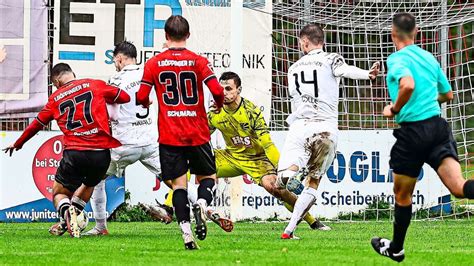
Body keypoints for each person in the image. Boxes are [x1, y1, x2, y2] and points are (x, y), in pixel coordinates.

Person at [161, 71, 330, 231]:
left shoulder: (252, 112)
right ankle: (168, 207)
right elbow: (200, 136)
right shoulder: (215, 113)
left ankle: (313, 222)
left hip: (257, 159)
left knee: (276, 189)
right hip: (230, 157)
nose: (224, 93)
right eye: (221, 89)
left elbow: (267, 145)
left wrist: (282, 170)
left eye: (228, 89)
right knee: (186, 165)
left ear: (238, 90)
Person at [370, 13, 474, 262]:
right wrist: (427, 100)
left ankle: (396, 248)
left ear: (393, 34)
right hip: (438, 128)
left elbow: (407, 85)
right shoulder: (429, 57)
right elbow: (447, 95)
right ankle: (395, 248)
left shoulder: (396, 59)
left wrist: (394, 108)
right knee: (459, 188)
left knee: (402, 195)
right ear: (416, 32)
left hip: (413, 133)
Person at [2, 63, 130, 238]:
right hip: (101, 153)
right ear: (73, 73)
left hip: (76, 152)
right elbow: (124, 97)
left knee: (60, 193)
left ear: (56, 80)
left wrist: (18, 143)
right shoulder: (94, 84)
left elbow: (37, 124)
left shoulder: (55, 98)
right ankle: (69, 220)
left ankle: (67, 216)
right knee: (90, 184)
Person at [277, 23, 379, 239]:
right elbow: (345, 70)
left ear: (305, 42)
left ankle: (290, 177)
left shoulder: (293, 68)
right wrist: (367, 74)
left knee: (284, 175)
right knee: (314, 181)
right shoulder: (330, 58)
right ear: (321, 41)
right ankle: (290, 227)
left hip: (298, 126)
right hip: (324, 127)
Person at [136, 15, 224, 250]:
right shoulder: (198, 61)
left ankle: (186, 234)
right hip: (197, 132)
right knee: (208, 178)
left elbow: (141, 96)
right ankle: (203, 204)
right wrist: (219, 103)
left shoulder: (154, 63)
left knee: (179, 186)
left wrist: (146, 104)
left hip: (170, 135)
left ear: (165, 36)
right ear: (188, 35)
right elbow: (217, 89)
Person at [83, 41, 170, 236]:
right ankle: (204, 207)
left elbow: (112, 116)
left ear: (120, 59)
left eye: (115, 60)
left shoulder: (116, 80)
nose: (115, 63)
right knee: (173, 178)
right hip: (149, 141)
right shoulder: (148, 74)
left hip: (124, 144)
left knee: (96, 180)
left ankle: (99, 226)